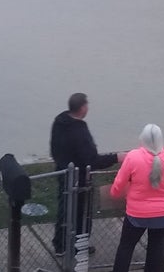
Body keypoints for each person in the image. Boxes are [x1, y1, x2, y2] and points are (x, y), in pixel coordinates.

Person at [50, 93, 121, 257]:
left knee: (64, 209)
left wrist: (61, 162)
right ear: (82, 108)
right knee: (82, 214)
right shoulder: (79, 131)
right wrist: (116, 157)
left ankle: (60, 245)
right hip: (80, 180)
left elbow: (54, 147)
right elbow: (92, 160)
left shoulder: (59, 122)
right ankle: (79, 246)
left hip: (63, 173)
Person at [110, 124, 164, 272]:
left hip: (137, 214)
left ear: (142, 139)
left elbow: (119, 183)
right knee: (156, 251)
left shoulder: (133, 157)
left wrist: (114, 193)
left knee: (126, 246)